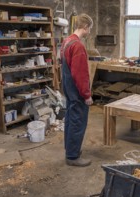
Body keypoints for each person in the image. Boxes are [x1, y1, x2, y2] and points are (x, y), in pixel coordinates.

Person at [60, 14, 93, 166]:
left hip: (68, 88)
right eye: (89, 29)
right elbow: (80, 73)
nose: (89, 32)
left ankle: (70, 150)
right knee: (78, 121)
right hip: (77, 90)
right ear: (85, 27)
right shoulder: (78, 45)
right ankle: (73, 157)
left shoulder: (67, 41)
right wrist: (86, 95)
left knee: (71, 119)